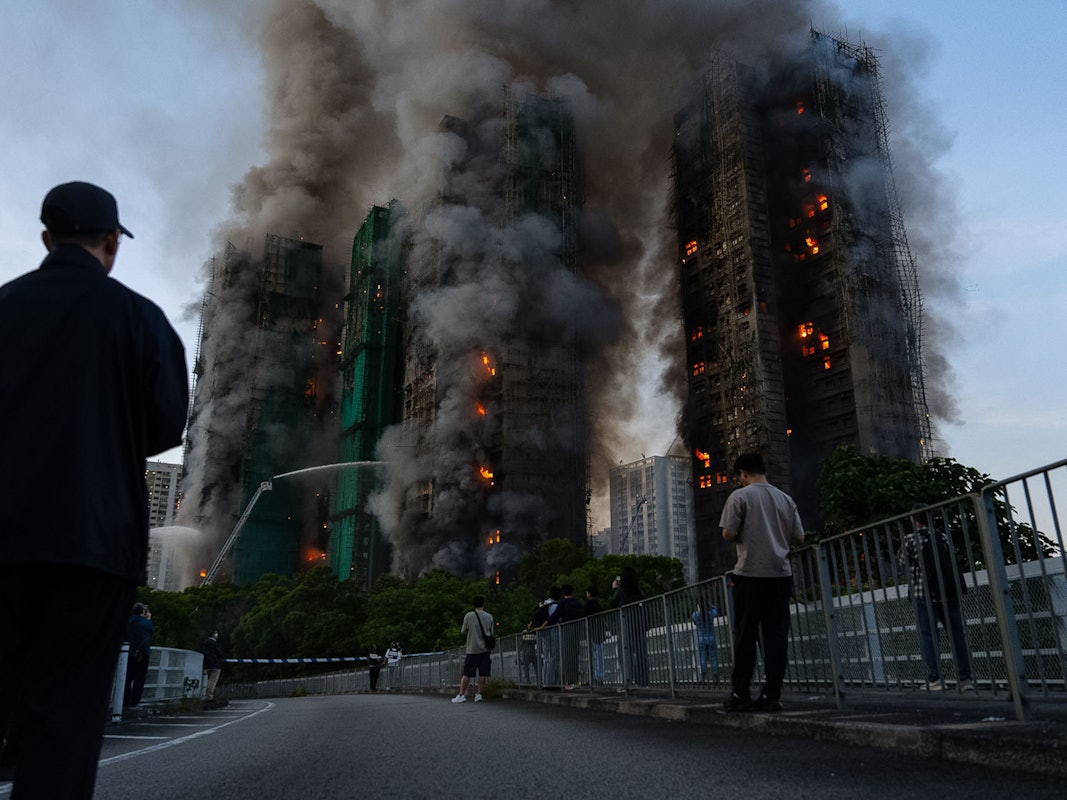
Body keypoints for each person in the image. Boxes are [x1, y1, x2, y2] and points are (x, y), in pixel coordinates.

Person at [0, 181, 188, 798]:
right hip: (94, 544)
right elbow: (163, 426)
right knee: (64, 721)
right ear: (112, 242)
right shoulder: (141, 320)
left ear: (47, 238)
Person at [720, 452, 805, 712]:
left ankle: (740, 693)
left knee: (746, 635)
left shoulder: (740, 496)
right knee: (776, 637)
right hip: (780, 575)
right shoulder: (785, 499)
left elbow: (728, 533)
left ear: (743, 473)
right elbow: (799, 537)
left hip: (749, 575)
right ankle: (772, 695)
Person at [899, 504, 974, 691]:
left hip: (923, 593)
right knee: (956, 635)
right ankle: (965, 679)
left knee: (929, 637)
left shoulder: (910, 539)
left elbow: (902, 561)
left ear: (914, 520)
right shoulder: (942, 536)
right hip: (948, 592)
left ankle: (935, 679)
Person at [609, 567, 649, 686]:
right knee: (641, 653)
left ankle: (628, 681)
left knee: (625, 653)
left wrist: (613, 588)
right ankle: (643, 680)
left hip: (626, 624)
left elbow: (612, 602)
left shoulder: (621, 590)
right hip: (639, 623)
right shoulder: (638, 590)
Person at [452, 597, 494, 703]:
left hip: (472, 649)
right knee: (483, 673)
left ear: (473, 605)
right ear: (483, 604)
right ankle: (479, 694)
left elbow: (463, 631)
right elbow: (491, 632)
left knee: (466, 673)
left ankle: (462, 694)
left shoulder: (469, 616)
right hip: (485, 649)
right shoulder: (489, 616)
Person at [547, 584, 586, 688]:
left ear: (563, 593)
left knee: (566, 656)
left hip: (565, 631)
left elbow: (555, 616)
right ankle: (575, 679)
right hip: (576, 631)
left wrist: (545, 625)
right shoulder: (577, 603)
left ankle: (567, 681)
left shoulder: (563, 603)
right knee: (574, 655)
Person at [124, 603, 155, 708]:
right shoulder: (145, 622)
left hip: (127, 652)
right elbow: (152, 630)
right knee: (139, 679)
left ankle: (124, 701)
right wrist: (149, 618)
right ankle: (134, 702)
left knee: (127, 678)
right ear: (143, 612)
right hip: (142, 654)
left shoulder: (129, 620)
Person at [692, 597, 719, 684]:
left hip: (701, 639)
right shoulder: (711, 613)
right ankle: (715, 678)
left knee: (703, 658)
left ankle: (702, 679)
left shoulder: (695, 614)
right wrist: (710, 605)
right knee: (714, 658)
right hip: (711, 638)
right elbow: (716, 610)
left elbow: (695, 622)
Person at [585, 586, 606, 685]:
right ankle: (600, 677)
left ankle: (595, 677)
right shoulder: (599, 605)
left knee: (594, 655)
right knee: (600, 654)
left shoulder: (588, 605)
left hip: (592, 631)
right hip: (600, 631)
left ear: (589, 594)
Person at [202, 631, 224, 702]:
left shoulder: (205, 643)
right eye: (216, 634)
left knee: (206, 680)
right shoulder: (214, 643)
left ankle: (203, 694)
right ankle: (209, 696)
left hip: (205, 664)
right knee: (213, 680)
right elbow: (219, 653)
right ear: (213, 635)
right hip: (215, 664)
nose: (217, 635)